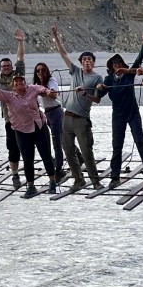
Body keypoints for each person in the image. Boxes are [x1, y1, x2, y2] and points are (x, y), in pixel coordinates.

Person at [0, 66, 58, 198]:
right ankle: (31, 186)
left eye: (21, 81)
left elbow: (43, 90)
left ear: (25, 82)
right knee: (27, 159)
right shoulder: (9, 96)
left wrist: (49, 92)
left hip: (39, 127)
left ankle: (53, 182)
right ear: (13, 85)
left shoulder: (32, 89)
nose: (19, 83)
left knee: (46, 155)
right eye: (16, 82)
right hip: (21, 130)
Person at [49, 24, 105, 191]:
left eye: (90, 60)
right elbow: (64, 54)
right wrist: (56, 38)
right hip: (67, 117)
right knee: (68, 151)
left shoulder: (97, 77)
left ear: (93, 63)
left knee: (86, 151)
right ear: (81, 63)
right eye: (84, 60)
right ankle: (78, 180)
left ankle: (95, 181)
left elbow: (97, 99)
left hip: (81, 119)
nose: (87, 62)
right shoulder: (75, 72)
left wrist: (86, 94)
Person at [97, 35, 143, 188]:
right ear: (111, 66)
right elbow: (98, 97)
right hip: (117, 116)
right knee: (117, 146)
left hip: (132, 113)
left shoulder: (129, 75)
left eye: (118, 62)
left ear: (122, 64)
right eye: (114, 63)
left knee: (140, 141)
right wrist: (98, 89)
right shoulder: (109, 79)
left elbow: (138, 61)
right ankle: (115, 177)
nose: (117, 65)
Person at [0, 30, 27, 189]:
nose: (7, 68)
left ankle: (47, 166)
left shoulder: (18, 75)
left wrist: (21, 42)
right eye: (4, 66)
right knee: (13, 148)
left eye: (8, 66)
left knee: (32, 143)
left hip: (26, 117)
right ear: (0, 68)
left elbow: (20, 58)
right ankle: (15, 175)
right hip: (10, 119)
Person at [33, 60, 66, 176]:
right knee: (55, 139)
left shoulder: (52, 80)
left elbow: (54, 94)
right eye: (38, 71)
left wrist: (44, 92)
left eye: (42, 70)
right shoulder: (36, 85)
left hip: (56, 111)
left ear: (46, 71)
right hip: (46, 113)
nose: (40, 72)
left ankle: (59, 169)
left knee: (57, 141)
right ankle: (76, 155)